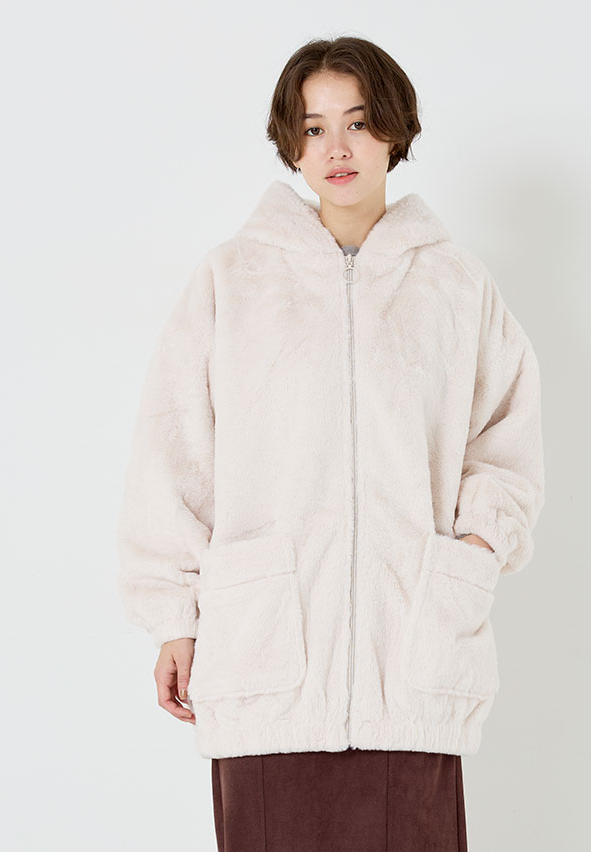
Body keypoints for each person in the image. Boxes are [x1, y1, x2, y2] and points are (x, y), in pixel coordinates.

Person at [117, 35, 545, 852]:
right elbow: (174, 450)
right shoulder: (234, 278)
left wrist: (473, 552)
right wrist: (174, 616)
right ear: (291, 143)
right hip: (266, 653)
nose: (336, 148)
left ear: (395, 131)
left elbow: (505, 437)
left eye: (357, 122)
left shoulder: (455, 285)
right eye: (314, 129)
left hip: (411, 649)